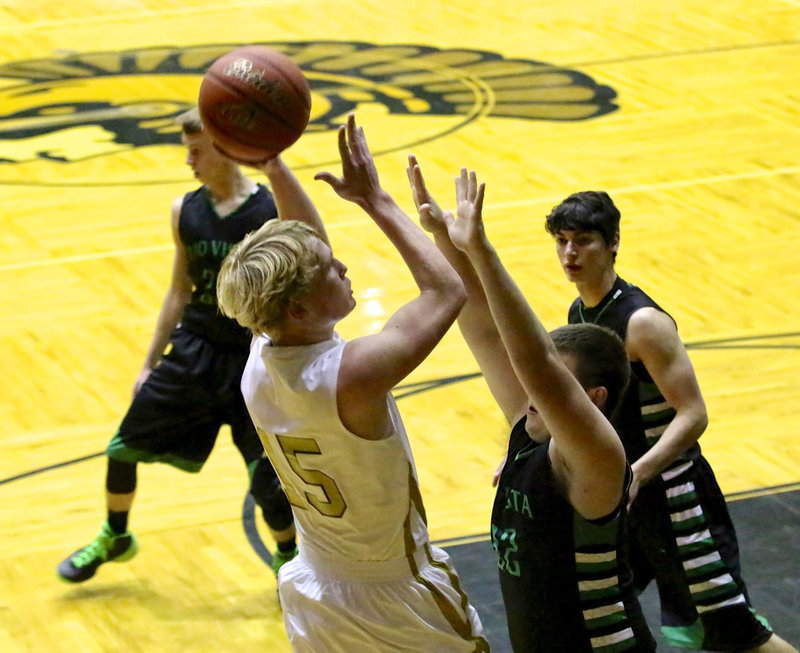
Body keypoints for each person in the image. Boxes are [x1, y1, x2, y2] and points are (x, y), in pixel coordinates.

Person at [215, 114, 489, 652]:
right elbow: (446, 291)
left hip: (315, 586)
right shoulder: (352, 376)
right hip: (393, 594)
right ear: (299, 308)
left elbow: (303, 247)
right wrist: (375, 200)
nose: (341, 264)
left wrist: (275, 167)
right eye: (328, 269)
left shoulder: (259, 358)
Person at [409, 164, 656, 652]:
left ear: (593, 399)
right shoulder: (531, 429)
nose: (531, 387)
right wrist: (439, 236)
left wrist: (482, 250)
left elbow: (534, 358)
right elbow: (480, 325)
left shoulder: (597, 456)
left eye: (552, 386)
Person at [57, 108, 303, 583]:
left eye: (195, 151)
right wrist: (148, 364)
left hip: (251, 361)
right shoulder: (184, 210)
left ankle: (289, 558)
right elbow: (178, 290)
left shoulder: (267, 211)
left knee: (267, 485)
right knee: (122, 448)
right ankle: (116, 535)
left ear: (224, 150)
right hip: (194, 350)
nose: (188, 161)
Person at [546, 190, 798, 652]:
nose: (570, 253)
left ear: (613, 242)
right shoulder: (580, 315)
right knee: (619, 614)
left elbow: (694, 414)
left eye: (583, 240)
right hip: (630, 498)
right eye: (562, 241)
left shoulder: (642, 321)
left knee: (732, 630)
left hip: (677, 497)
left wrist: (639, 472)